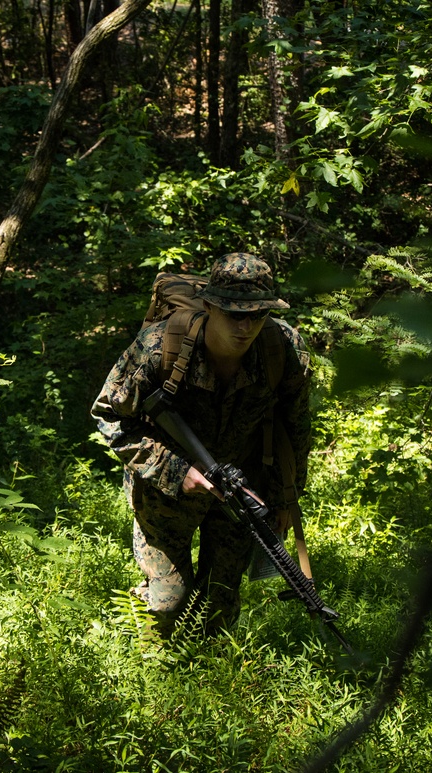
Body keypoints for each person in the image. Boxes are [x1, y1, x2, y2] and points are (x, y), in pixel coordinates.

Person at [91, 253, 312, 636]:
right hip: (166, 489)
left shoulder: (282, 348)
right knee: (168, 600)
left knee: (219, 602)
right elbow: (108, 414)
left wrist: (284, 499)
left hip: (240, 488)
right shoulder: (161, 346)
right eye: (233, 314)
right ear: (209, 306)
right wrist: (177, 472)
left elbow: (296, 429)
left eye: (257, 315)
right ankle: (148, 666)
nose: (245, 326)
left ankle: (208, 679)